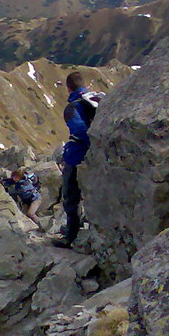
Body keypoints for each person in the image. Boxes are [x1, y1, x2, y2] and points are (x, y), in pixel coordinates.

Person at [53, 71, 103, 248]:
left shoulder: (72, 107)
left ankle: (70, 235)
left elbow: (80, 131)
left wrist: (88, 147)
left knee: (71, 196)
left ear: (68, 88)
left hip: (77, 157)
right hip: (96, 156)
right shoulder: (95, 100)